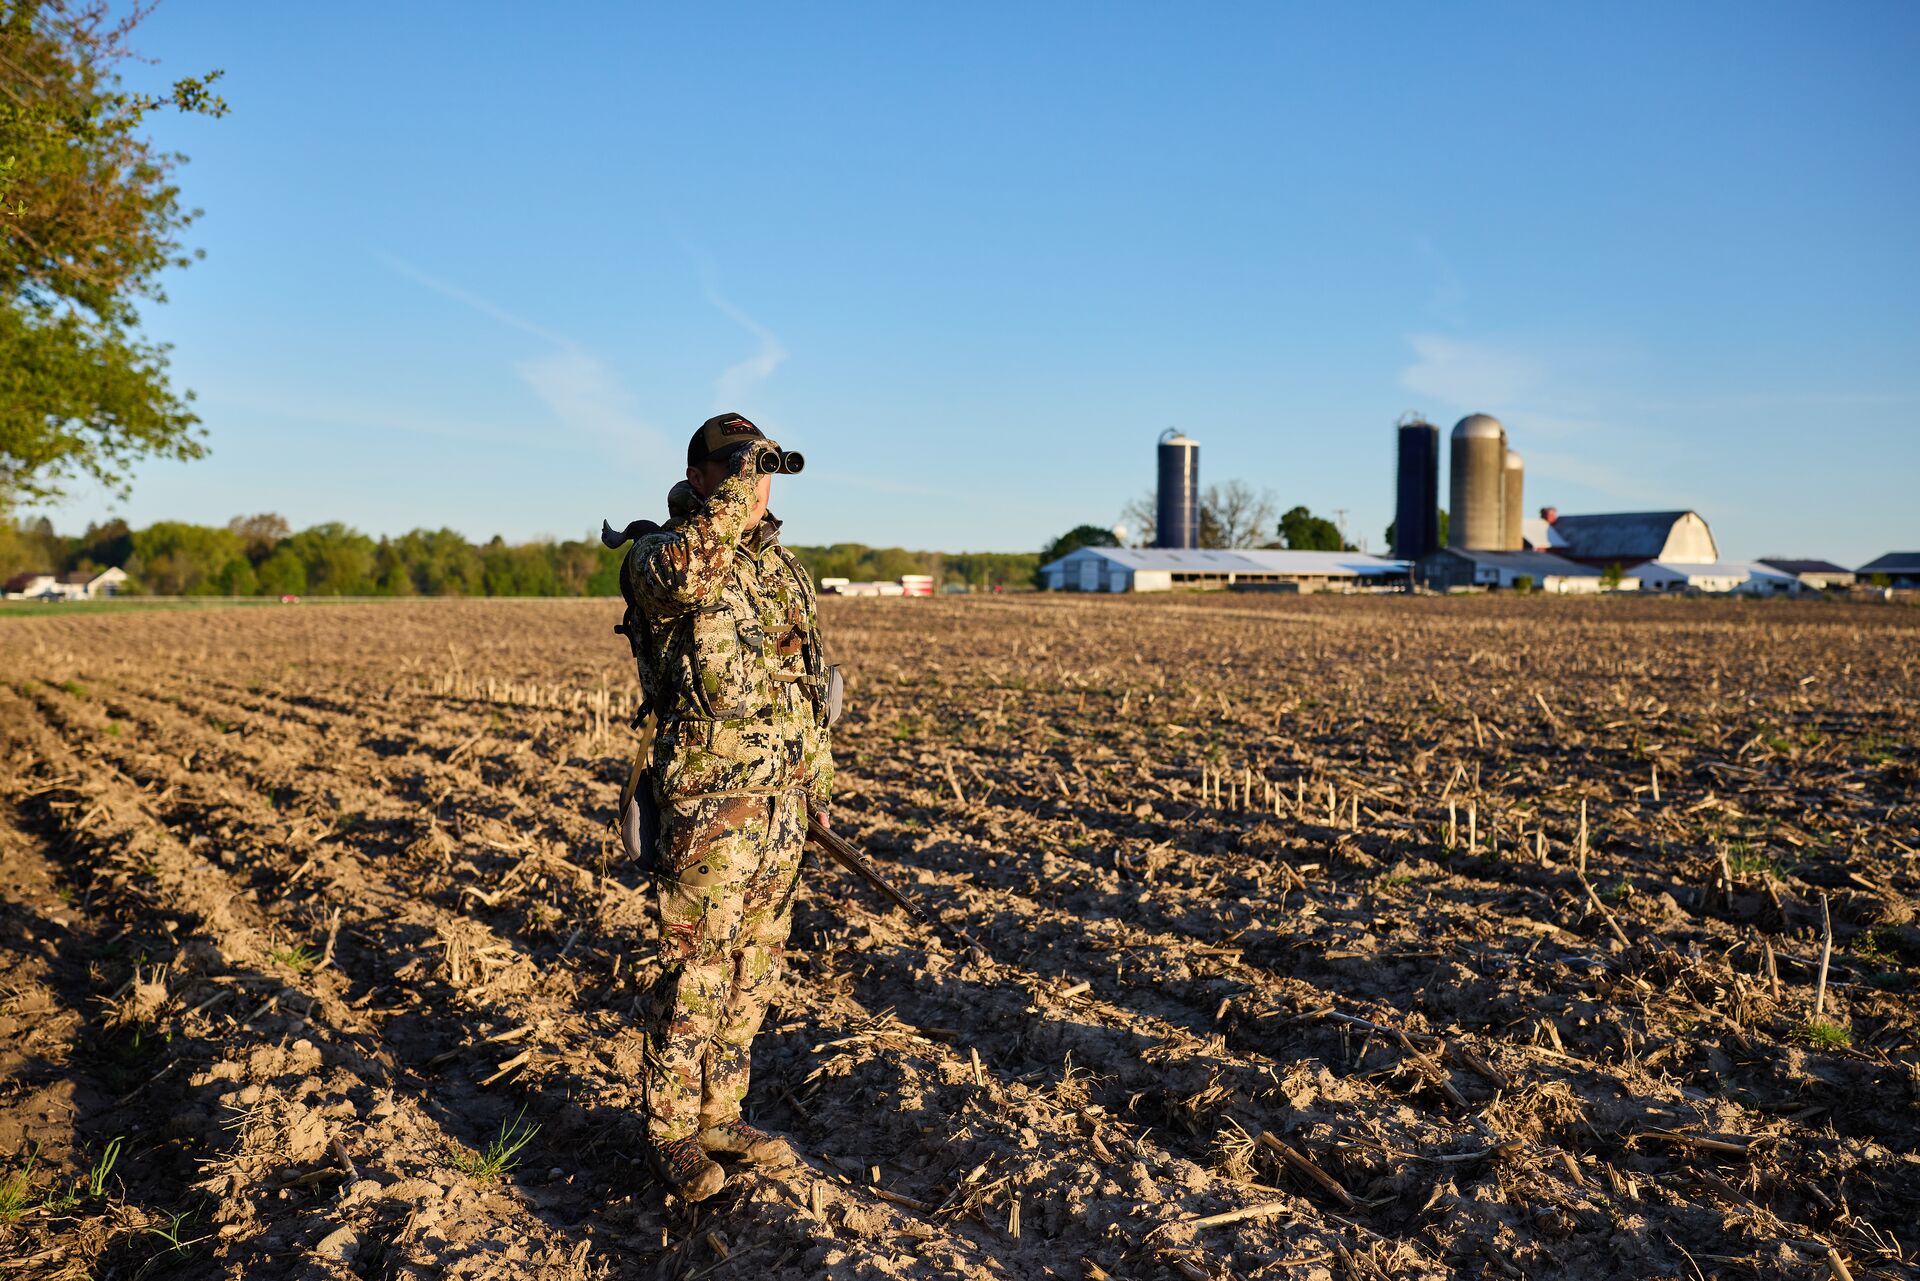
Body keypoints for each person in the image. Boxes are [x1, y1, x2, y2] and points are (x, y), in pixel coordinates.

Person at [618, 413, 834, 1202]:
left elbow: (808, 685)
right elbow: (684, 575)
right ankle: (669, 1131)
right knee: (695, 972)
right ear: (702, 475)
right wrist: (730, 503)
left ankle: (720, 1113)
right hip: (710, 807)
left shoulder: (784, 571)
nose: (758, 481)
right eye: (740, 466)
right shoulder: (659, 554)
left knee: (754, 970)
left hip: (780, 805)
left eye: (766, 466)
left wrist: (816, 788)